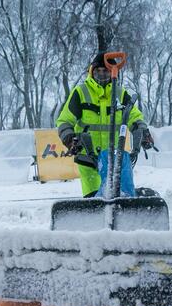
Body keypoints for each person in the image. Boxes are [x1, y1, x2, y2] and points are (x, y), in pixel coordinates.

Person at [56, 52, 154, 197]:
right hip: (89, 159)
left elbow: (135, 117)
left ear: (112, 72)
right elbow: (64, 121)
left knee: (122, 196)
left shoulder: (120, 94)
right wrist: (70, 139)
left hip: (115, 158)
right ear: (91, 72)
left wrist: (143, 132)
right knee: (94, 202)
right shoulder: (81, 92)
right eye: (98, 71)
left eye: (105, 71)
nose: (101, 75)